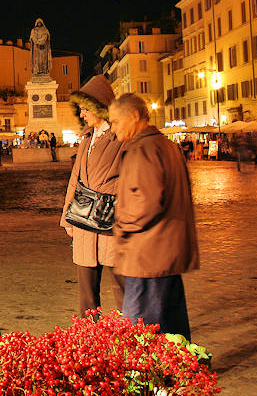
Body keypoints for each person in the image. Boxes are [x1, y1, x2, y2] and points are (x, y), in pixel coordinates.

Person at [109, 93, 199, 340]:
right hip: (167, 252)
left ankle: (145, 377)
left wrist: (120, 227)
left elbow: (144, 206)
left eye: (116, 122)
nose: (113, 129)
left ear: (135, 116)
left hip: (147, 255)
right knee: (173, 329)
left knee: (141, 334)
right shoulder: (166, 146)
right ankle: (183, 374)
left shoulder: (142, 150)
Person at [62, 75, 126, 318]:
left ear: (100, 106)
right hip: (84, 217)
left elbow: (134, 175)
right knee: (87, 287)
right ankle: (88, 337)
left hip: (113, 217)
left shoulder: (121, 136)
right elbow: (75, 178)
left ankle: (129, 335)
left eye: (85, 108)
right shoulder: (87, 137)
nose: (82, 114)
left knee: (121, 283)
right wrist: (67, 218)